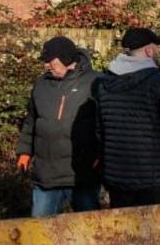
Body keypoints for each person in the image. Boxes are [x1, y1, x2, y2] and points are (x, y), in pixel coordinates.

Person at [95, 27, 160, 208]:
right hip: (157, 180)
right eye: (157, 48)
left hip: (118, 179)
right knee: (157, 234)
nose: (158, 52)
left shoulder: (104, 84)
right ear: (148, 50)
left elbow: (100, 133)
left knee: (124, 233)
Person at [15, 36, 101, 217]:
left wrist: (102, 156)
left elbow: (107, 123)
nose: (46, 65)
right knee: (40, 232)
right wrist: (24, 152)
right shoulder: (41, 84)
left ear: (66, 59)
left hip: (82, 175)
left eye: (50, 61)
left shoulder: (96, 83)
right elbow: (32, 120)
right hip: (46, 175)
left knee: (89, 230)